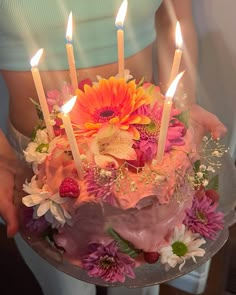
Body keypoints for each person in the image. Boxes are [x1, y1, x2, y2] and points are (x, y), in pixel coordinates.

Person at [0, 0, 227, 295]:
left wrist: (182, 106)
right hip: (40, 164)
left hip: (151, 156)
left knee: (137, 287)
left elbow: (174, 18)